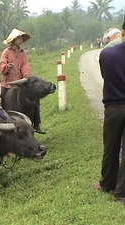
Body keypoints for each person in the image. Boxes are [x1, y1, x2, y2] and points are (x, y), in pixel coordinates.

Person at [92, 19, 125, 204]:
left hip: (113, 106)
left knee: (110, 147)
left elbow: (106, 76)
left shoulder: (107, 54)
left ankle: (106, 184)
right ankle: (121, 193)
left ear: (122, 32)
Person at [0, 27, 45, 134]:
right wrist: (7, 67)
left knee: (35, 98)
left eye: (21, 38)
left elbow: (25, 66)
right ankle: (1, 124)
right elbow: (1, 65)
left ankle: (36, 123)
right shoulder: (6, 52)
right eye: (18, 38)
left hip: (21, 84)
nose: (20, 40)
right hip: (8, 84)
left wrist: (26, 77)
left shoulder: (23, 53)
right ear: (13, 40)